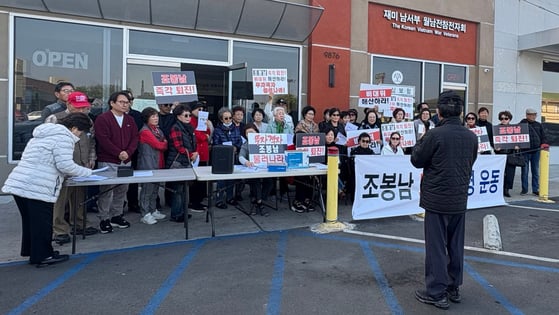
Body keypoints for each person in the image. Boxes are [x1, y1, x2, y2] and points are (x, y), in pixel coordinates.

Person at [411, 90, 478, 310]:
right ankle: (453, 287)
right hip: (459, 198)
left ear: (438, 112)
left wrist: (420, 140)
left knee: (437, 247)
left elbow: (417, 160)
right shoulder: (471, 136)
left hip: (437, 199)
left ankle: (436, 291)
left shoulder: (434, 134)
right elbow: (471, 161)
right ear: (460, 112)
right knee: (456, 245)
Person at [2, 113, 93, 267]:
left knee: (30, 221)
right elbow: (65, 165)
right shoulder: (64, 138)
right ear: (74, 128)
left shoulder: (41, 135)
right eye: (81, 131)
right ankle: (43, 255)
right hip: (38, 185)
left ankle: (33, 251)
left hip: (20, 182)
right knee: (42, 223)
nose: (80, 135)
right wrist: (88, 173)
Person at [46, 91, 98, 244]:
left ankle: (80, 223)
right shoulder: (56, 119)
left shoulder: (88, 121)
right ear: (68, 104)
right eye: (78, 107)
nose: (82, 111)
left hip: (81, 165)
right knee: (60, 200)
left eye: (84, 108)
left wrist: (91, 158)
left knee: (79, 197)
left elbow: (92, 142)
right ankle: (59, 230)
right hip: (60, 167)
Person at [94, 91, 138, 234]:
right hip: (108, 160)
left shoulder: (130, 120)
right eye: (122, 102)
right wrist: (118, 153)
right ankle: (104, 218)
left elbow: (135, 139)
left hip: (126, 161)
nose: (125, 105)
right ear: (112, 103)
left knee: (122, 189)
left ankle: (116, 215)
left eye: (127, 102)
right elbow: (103, 139)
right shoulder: (103, 119)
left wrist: (128, 153)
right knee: (107, 190)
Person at [166, 104, 197, 222]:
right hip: (178, 161)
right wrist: (191, 153)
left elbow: (192, 144)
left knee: (185, 189)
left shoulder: (188, 127)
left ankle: (183, 212)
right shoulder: (176, 128)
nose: (189, 117)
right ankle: (176, 214)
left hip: (186, 161)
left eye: (190, 115)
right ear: (178, 116)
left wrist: (194, 153)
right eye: (186, 115)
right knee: (178, 190)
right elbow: (179, 147)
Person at [137, 107, 168, 225]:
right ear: (147, 118)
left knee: (155, 189)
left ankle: (152, 209)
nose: (156, 118)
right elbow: (160, 145)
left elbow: (165, 143)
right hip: (148, 164)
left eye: (157, 116)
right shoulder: (145, 131)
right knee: (147, 190)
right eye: (153, 116)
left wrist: (163, 143)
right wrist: (163, 143)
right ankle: (145, 213)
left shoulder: (157, 130)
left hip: (158, 163)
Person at [238, 123, 273, 216]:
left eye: (252, 132)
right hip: (252, 169)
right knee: (255, 181)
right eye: (247, 134)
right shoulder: (246, 144)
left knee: (270, 182)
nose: (250, 135)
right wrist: (246, 162)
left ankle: (258, 200)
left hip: (265, 168)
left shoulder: (265, 141)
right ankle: (260, 203)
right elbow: (241, 156)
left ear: (256, 132)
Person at [212, 107, 243, 209]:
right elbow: (216, 143)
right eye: (226, 118)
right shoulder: (217, 130)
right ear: (221, 119)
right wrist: (226, 148)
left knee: (231, 179)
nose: (228, 120)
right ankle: (219, 199)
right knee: (221, 180)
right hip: (222, 157)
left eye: (230, 118)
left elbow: (239, 141)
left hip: (233, 156)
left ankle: (230, 197)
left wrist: (236, 147)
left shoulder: (236, 128)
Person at [291, 106, 319, 212]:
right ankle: (298, 200)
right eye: (309, 114)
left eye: (312, 114)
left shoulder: (315, 126)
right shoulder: (300, 125)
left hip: (312, 155)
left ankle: (308, 200)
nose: (311, 116)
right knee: (302, 178)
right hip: (300, 154)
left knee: (311, 178)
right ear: (305, 115)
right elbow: (296, 139)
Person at [188, 101, 211, 212]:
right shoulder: (190, 120)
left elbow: (208, 133)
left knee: (202, 178)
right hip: (196, 152)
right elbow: (197, 135)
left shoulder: (202, 120)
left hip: (204, 152)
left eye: (202, 109)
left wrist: (206, 130)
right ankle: (193, 202)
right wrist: (204, 136)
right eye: (198, 109)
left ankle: (199, 200)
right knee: (195, 180)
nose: (201, 111)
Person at [519, 108, 548, 195]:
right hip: (525, 151)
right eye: (531, 115)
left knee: (535, 171)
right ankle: (524, 189)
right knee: (525, 171)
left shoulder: (539, 125)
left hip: (536, 151)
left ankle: (535, 189)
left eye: (535, 115)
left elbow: (543, 136)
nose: (533, 116)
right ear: (527, 115)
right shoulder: (521, 124)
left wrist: (544, 144)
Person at [124, 90, 143, 214]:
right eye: (124, 101)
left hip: (133, 151)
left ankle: (133, 203)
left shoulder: (137, 115)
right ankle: (118, 206)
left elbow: (138, 134)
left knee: (133, 180)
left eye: (130, 100)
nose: (127, 103)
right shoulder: (108, 116)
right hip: (116, 153)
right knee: (117, 182)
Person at [494, 111, 518, 197]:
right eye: (502, 118)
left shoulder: (514, 129)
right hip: (500, 155)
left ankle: (506, 190)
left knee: (510, 173)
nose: (503, 120)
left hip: (510, 154)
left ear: (509, 119)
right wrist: (496, 149)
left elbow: (518, 140)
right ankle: (499, 189)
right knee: (500, 173)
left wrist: (517, 148)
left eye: (506, 118)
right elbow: (492, 142)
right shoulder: (496, 129)